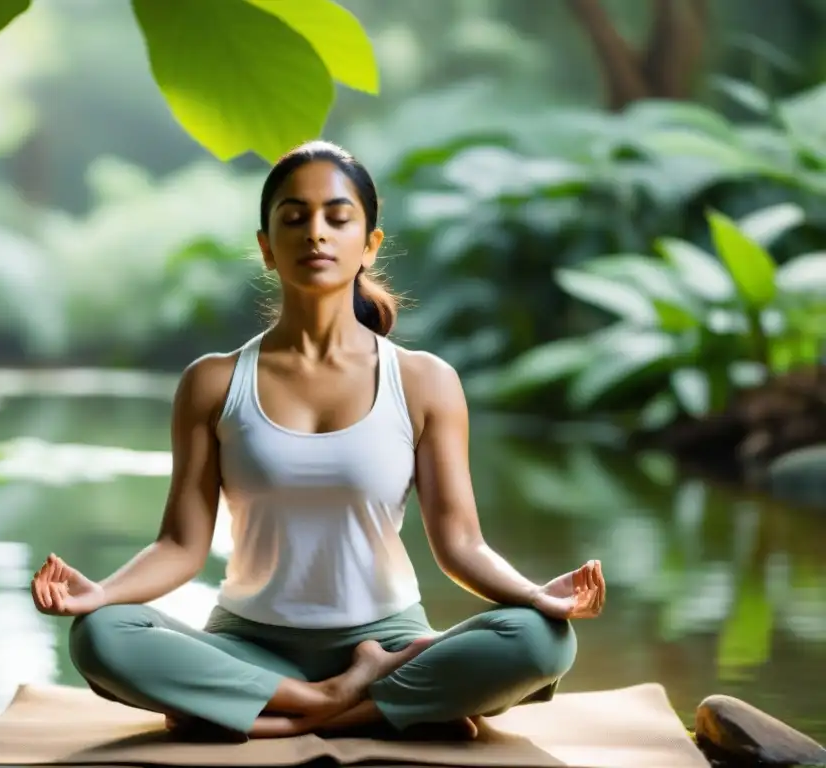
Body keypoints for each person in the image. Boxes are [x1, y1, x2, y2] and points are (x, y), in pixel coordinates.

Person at [30, 140, 606, 741]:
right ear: (266, 247)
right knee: (100, 634)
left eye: (338, 217)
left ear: (370, 244)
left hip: (389, 641)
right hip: (249, 645)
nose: (316, 234)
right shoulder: (212, 382)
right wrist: (100, 593)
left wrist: (537, 594)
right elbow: (180, 545)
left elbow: (460, 544)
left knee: (541, 639)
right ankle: (348, 700)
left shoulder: (425, 381)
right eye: (294, 217)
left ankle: (269, 716)